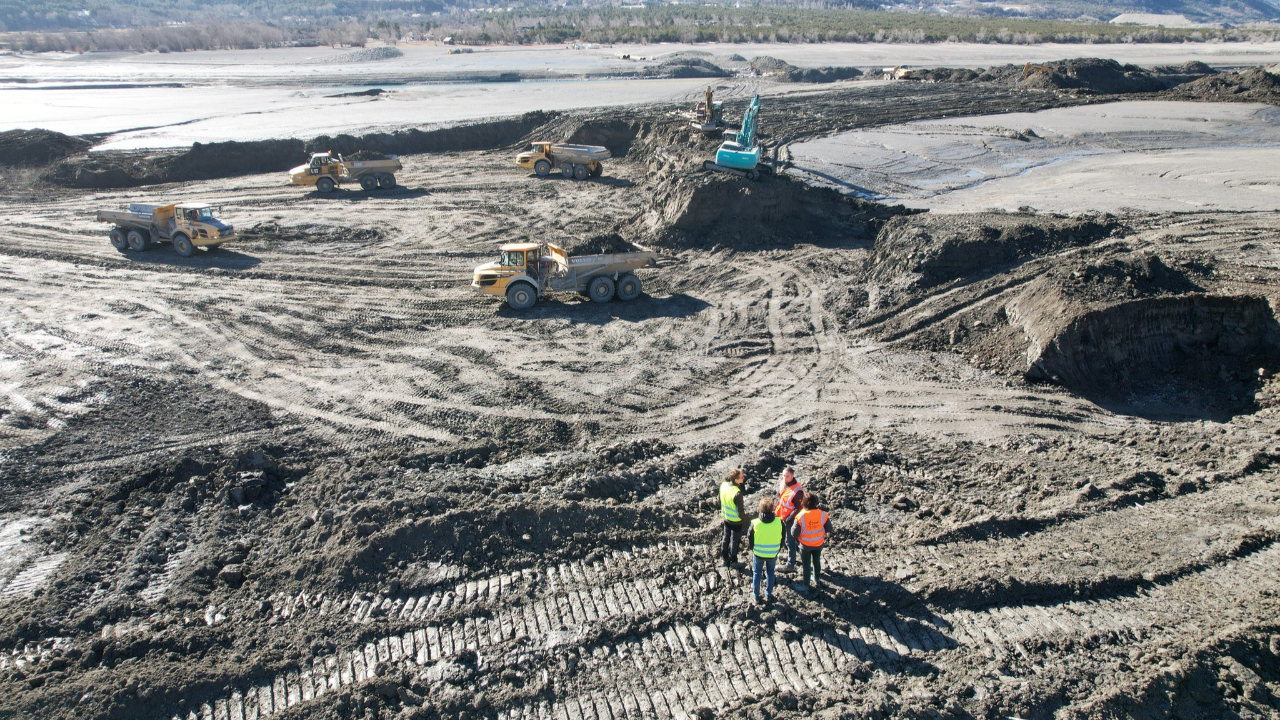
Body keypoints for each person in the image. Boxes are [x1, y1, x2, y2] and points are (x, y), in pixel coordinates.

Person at [791, 493, 832, 593]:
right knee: (816, 561)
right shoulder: (823, 514)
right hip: (818, 543)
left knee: (806, 565)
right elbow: (829, 528)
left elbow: (794, 533)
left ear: (803, 503)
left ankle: (806, 585)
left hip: (805, 545)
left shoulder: (800, 516)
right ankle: (817, 579)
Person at [746, 497, 782, 604]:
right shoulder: (779, 522)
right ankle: (768, 594)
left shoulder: (755, 523)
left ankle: (756, 595)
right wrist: (778, 548)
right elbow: (783, 537)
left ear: (760, 509)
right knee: (770, 572)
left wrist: (753, 549)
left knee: (757, 573)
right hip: (773, 553)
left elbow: (750, 537)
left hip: (758, 553)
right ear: (772, 508)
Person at [773, 467, 804, 573]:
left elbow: (798, 508)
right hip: (782, 516)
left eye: (787, 476)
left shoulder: (797, 491)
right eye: (784, 475)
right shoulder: (783, 483)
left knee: (790, 541)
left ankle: (790, 564)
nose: (785, 478)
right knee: (785, 539)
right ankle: (790, 555)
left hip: (790, 520)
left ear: (792, 476)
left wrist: (789, 518)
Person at [718, 468, 747, 567]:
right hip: (736, 521)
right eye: (741, 477)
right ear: (736, 479)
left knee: (726, 537)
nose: (743, 478)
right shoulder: (737, 493)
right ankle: (734, 561)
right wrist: (744, 519)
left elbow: (719, 500)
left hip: (726, 517)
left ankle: (725, 558)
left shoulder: (723, 486)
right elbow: (740, 511)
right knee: (735, 541)